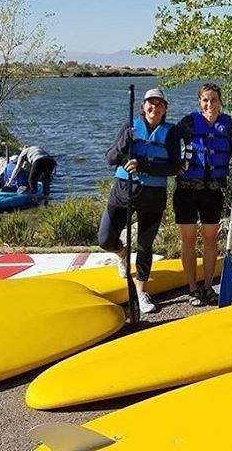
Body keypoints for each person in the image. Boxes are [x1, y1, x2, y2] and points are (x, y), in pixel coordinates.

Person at [98, 88, 181, 314]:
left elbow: (175, 166)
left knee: (145, 246)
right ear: (143, 106)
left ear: (165, 109)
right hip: (124, 191)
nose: (155, 108)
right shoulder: (130, 127)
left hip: (153, 196)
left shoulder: (171, 132)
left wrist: (144, 167)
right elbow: (110, 158)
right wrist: (125, 141)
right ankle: (122, 254)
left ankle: (141, 291)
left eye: (160, 104)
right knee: (105, 239)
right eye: (151, 104)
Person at [175, 83, 232, 306]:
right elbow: (169, 142)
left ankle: (207, 287)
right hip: (186, 190)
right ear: (200, 102)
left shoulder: (228, 126)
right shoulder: (188, 123)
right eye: (205, 100)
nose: (210, 104)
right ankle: (192, 288)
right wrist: (175, 164)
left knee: (209, 239)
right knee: (188, 240)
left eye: (214, 100)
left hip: (213, 192)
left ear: (220, 102)